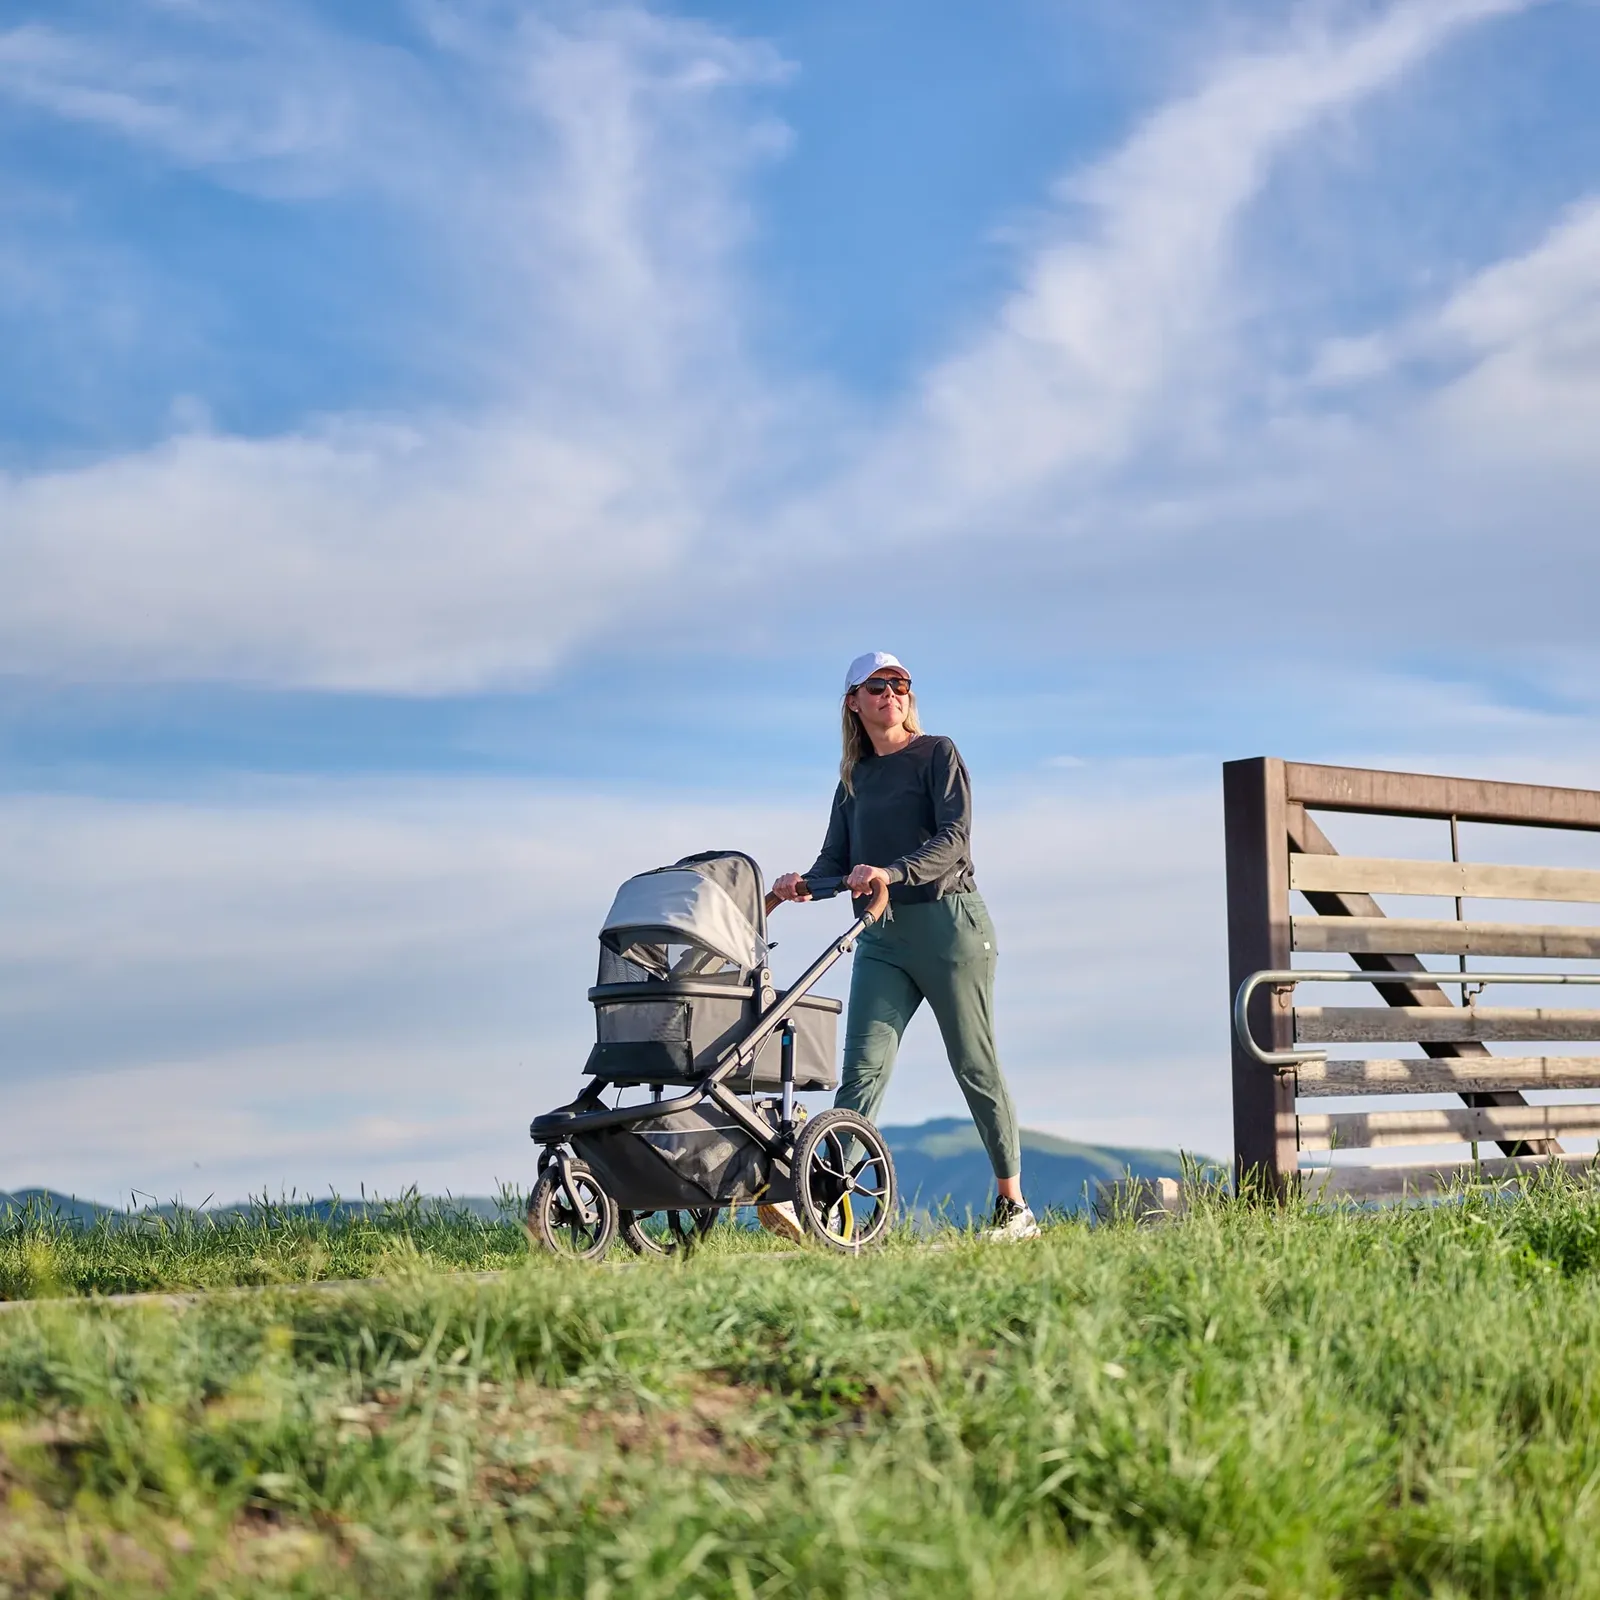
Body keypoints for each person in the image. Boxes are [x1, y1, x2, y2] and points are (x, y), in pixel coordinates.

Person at [761, 651, 1041, 1242]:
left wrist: (891, 871)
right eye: (878, 685)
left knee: (974, 1062)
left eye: (901, 683)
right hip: (882, 938)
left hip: (951, 927)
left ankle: (1013, 1209)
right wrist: (799, 886)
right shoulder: (854, 779)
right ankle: (821, 1202)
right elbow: (837, 860)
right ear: (853, 702)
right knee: (860, 1073)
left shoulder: (937, 754)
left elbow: (955, 841)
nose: (892, 692)